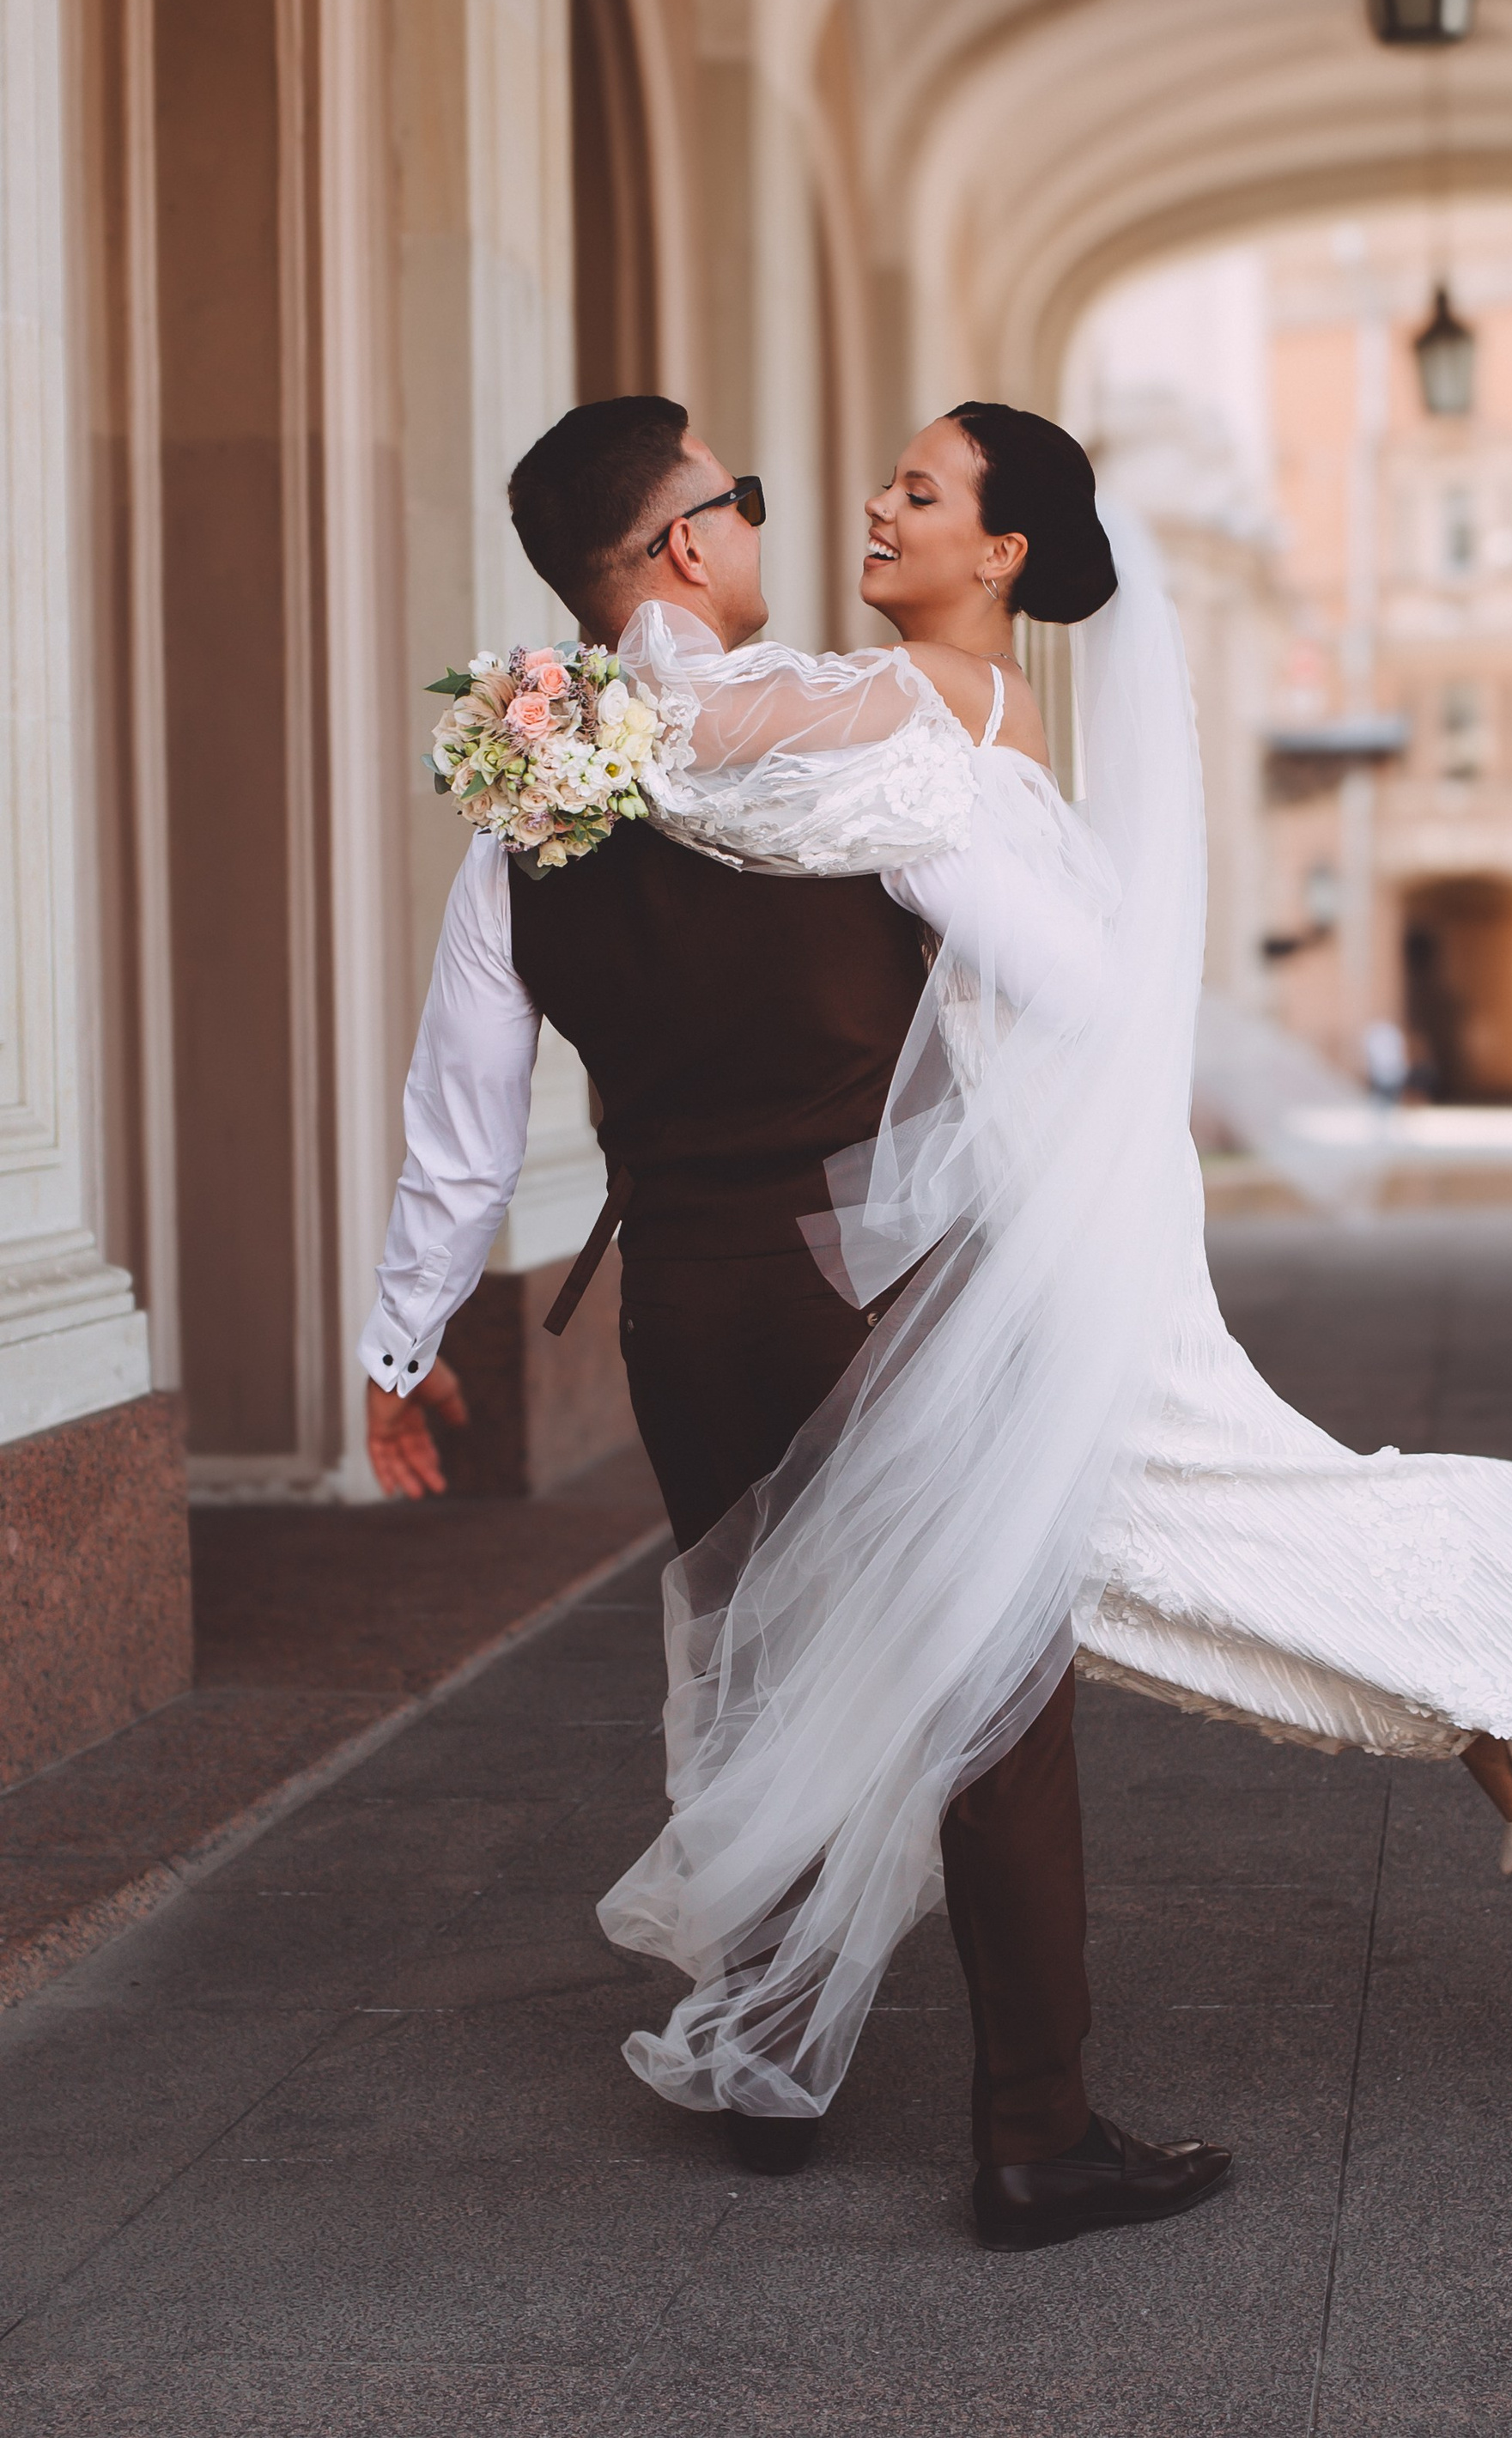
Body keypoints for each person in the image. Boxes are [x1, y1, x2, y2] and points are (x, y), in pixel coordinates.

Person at [603, 402, 1512, 2120]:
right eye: (887, 482)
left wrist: (584, 660)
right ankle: (1474, 1699)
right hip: (1046, 1193)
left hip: (1047, 1212)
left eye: (916, 492)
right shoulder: (962, 705)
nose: (872, 504)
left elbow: (690, 728)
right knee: (1115, 1548)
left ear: (998, 556)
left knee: (1142, 1533)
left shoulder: (919, 702)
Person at [360, 394, 1228, 2252]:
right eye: (739, 502)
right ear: (687, 546)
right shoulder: (850, 760)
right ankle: (1035, 2129)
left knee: (749, 1655)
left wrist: (398, 1344)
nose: (774, 521)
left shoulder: (524, 798)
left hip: (686, 1302)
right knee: (990, 1691)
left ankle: (769, 2075)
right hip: (877, 1283)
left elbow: (460, 1113)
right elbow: (1078, 986)